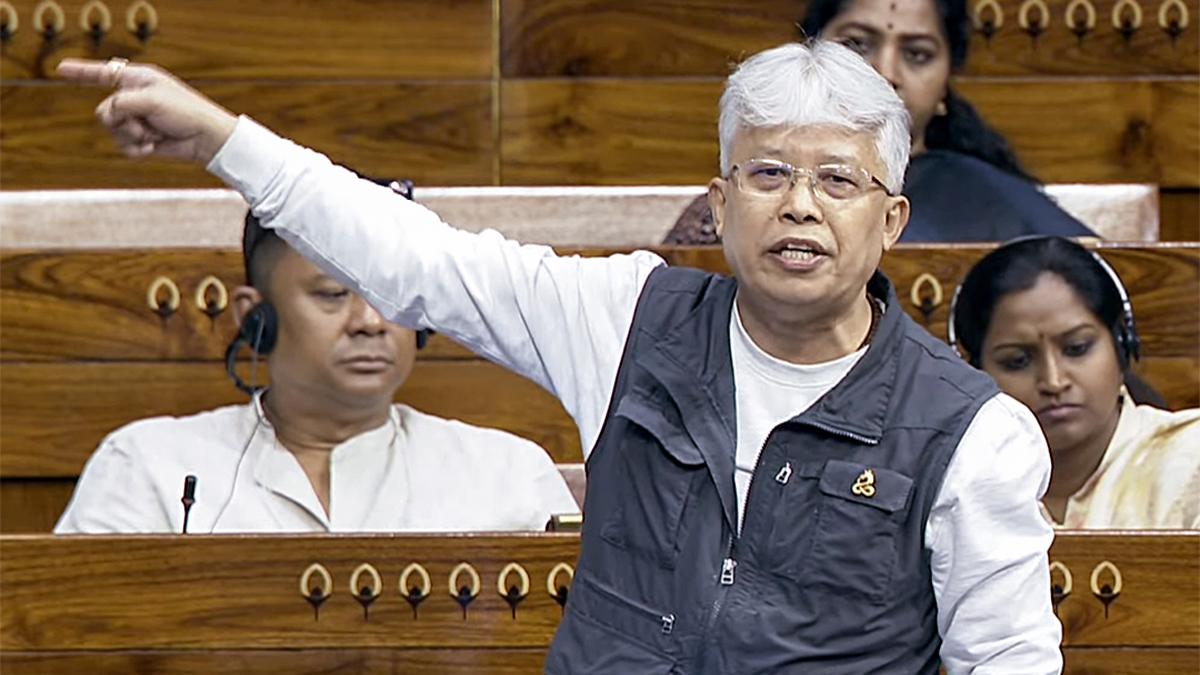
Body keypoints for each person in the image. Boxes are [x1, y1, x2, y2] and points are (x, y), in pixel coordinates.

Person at [59, 43, 1061, 672]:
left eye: (837, 180)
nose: (799, 205)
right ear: (719, 205)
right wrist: (224, 140)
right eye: (768, 173)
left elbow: (1007, 659)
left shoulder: (973, 431)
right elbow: (417, 259)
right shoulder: (624, 318)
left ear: (892, 220)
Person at [55, 203, 579, 534]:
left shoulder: (507, 475)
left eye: (392, 297)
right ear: (255, 317)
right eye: (332, 295)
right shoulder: (145, 467)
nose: (370, 322)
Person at [664, 0, 1096, 244]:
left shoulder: (996, 203)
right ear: (810, 54)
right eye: (857, 44)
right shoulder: (742, 197)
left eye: (917, 54)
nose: (885, 72)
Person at [950, 236, 1200, 529]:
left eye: (1077, 348)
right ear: (975, 372)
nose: (1054, 381)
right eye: (1017, 361)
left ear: (1121, 345)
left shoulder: (1189, 461)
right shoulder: (953, 483)